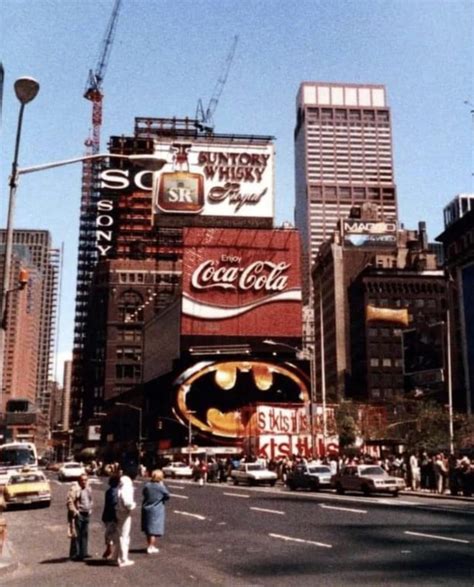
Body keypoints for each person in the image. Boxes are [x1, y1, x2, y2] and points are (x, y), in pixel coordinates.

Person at [141, 469, 170, 554]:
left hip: (146, 508)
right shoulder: (160, 487)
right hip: (156, 509)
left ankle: (149, 545)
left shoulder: (147, 485)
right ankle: (151, 546)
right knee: (154, 529)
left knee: (148, 529)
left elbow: (144, 493)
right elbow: (167, 496)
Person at [67, 473, 93, 561]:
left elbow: (90, 499)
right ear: (79, 481)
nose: (84, 482)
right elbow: (69, 502)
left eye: (86, 480)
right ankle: (76, 554)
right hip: (79, 514)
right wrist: (75, 512)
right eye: (82, 480)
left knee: (85, 534)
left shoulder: (88, 488)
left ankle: (84, 553)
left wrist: (90, 509)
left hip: (86, 513)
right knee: (77, 535)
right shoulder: (75, 489)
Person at [115, 471, 137, 567]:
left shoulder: (120, 486)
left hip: (118, 511)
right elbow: (127, 501)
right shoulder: (127, 485)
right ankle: (124, 558)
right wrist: (132, 506)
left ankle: (118, 557)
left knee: (120, 534)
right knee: (124, 536)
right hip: (125, 512)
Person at [101, 473, 120, 560]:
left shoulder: (109, 491)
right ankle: (111, 550)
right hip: (112, 516)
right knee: (112, 533)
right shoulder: (115, 492)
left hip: (107, 515)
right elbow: (113, 504)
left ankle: (109, 549)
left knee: (109, 533)